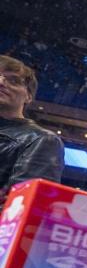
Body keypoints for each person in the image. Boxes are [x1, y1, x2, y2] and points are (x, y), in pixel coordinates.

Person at [0, 55, 62, 190]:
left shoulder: (42, 140)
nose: (1, 82)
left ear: (28, 96)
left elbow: (22, 205)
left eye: (13, 80)